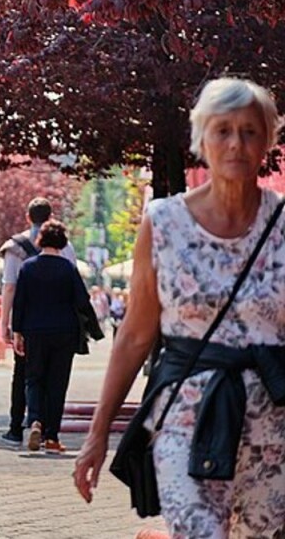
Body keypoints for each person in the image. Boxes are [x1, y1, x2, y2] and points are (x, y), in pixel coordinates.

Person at [73, 77, 285, 537]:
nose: (236, 143)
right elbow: (134, 334)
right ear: (201, 140)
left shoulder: (284, 222)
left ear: (267, 140)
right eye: (222, 130)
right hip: (186, 415)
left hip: (274, 427)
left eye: (250, 131)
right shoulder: (164, 221)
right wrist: (98, 434)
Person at [12, 220, 101, 454]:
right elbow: (82, 301)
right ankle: (52, 437)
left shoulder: (28, 267)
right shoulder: (68, 268)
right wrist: (94, 328)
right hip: (64, 332)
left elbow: (19, 302)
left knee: (33, 379)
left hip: (34, 331)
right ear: (62, 241)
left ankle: (35, 421)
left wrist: (17, 331)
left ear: (41, 240)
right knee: (57, 384)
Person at [0, 197, 76, 446]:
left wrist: (6, 324)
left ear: (27, 216)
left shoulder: (15, 247)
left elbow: (10, 288)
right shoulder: (66, 247)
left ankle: (16, 426)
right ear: (51, 217)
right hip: (62, 325)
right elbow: (75, 290)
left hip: (28, 324)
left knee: (24, 376)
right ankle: (47, 431)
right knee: (54, 379)